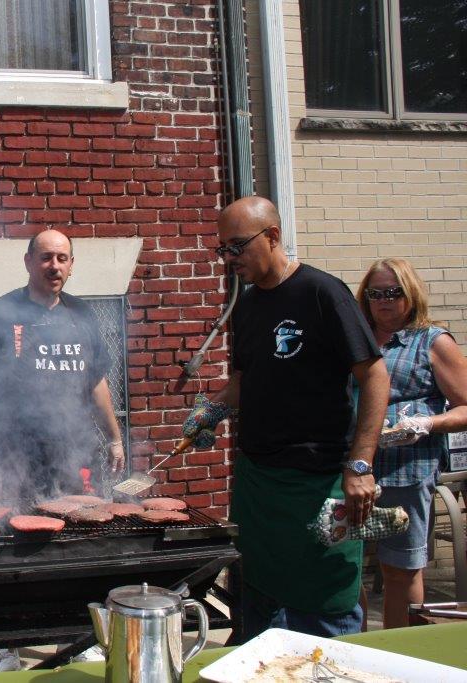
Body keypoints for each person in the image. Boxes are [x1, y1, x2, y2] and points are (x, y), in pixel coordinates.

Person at [182, 196, 389, 642]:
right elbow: (243, 378)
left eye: (237, 246)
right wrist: (211, 410)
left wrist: (361, 464)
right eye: (223, 249)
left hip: (317, 483)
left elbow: (374, 375)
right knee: (255, 599)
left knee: (325, 606)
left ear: (272, 236)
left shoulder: (322, 293)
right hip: (259, 484)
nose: (229, 259)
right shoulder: (251, 304)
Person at [0, 229, 125, 671]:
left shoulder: (83, 315)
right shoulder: (1, 312)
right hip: (12, 450)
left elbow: (97, 381)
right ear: (29, 261)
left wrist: (114, 435)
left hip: (73, 450)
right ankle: (6, 644)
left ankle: (78, 636)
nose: (55, 266)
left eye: (63, 258)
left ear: (72, 264)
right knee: (7, 545)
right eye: (46, 257)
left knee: (74, 544)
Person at [354, 258, 467, 628]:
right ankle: (357, 643)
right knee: (344, 561)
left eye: (393, 292)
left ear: (410, 293)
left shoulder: (432, 341)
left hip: (407, 466)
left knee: (400, 566)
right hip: (355, 466)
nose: (383, 300)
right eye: (375, 293)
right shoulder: (357, 339)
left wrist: (427, 423)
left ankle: (401, 649)